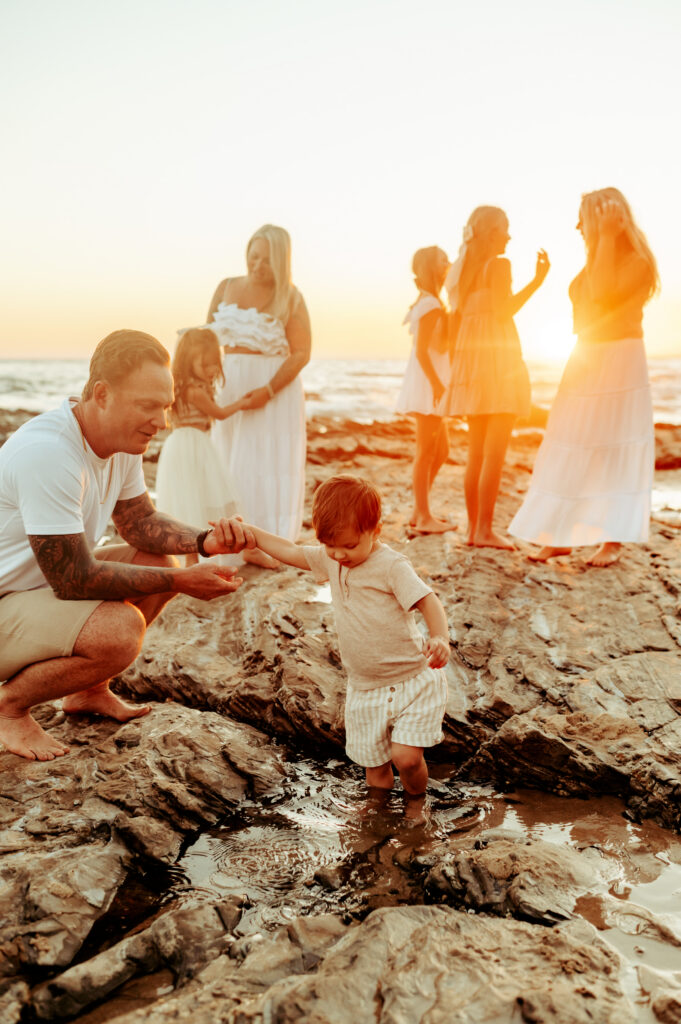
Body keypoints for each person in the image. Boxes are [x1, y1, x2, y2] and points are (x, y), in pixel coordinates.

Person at [0, 330, 255, 762]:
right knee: (119, 632)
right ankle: (9, 708)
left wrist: (203, 541)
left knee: (158, 558)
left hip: (37, 591)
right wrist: (182, 579)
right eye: (148, 406)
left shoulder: (120, 441)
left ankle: (88, 690)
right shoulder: (48, 452)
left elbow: (140, 523)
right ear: (102, 394)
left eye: (165, 406)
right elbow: (72, 578)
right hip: (10, 599)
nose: (162, 421)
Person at [243, 474, 450, 801]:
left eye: (350, 546)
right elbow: (289, 550)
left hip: (411, 680)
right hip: (365, 688)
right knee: (376, 768)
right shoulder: (330, 558)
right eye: (330, 546)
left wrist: (440, 638)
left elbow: (428, 601)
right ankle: (377, 817)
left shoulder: (392, 565)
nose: (338, 555)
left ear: (375, 529)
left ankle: (416, 806)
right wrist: (252, 535)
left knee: (406, 757)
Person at [509, 188, 659, 567]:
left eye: (583, 218)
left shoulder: (636, 261)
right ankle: (558, 536)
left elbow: (605, 294)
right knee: (569, 441)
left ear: (604, 219)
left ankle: (612, 540)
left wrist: (607, 237)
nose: (577, 226)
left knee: (612, 446)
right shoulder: (597, 258)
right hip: (586, 356)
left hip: (619, 357)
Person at [205, 224, 311, 567]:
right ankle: (231, 538)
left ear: (280, 261)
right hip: (231, 387)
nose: (257, 264)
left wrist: (267, 391)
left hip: (273, 392)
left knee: (264, 463)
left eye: (266, 259)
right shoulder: (226, 286)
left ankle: (263, 544)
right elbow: (204, 341)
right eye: (253, 256)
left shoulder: (291, 297)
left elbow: (301, 352)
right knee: (230, 461)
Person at [444, 206, 550, 549]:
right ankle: (485, 530)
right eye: (504, 229)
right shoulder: (499, 265)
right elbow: (504, 310)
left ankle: (474, 530)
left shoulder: (462, 273)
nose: (509, 236)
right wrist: (537, 281)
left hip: (472, 359)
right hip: (498, 358)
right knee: (495, 452)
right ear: (490, 233)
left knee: (476, 452)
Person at [155, 327, 244, 566]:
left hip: (187, 443)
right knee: (194, 498)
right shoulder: (192, 390)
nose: (212, 370)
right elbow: (220, 413)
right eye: (205, 365)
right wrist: (244, 402)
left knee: (195, 497)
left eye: (214, 363)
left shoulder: (184, 386)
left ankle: (195, 557)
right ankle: (192, 558)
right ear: (187, 362)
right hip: (191, 444)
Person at [395, 246, 455, 535]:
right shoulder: (430, 304)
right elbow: (421, 352)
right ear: (433, 268)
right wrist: (438, 386)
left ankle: (419, 510)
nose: (449, 264)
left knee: (441, 449)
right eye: (444, 261)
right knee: (426, 451)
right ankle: (423, 515)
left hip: (429, 381)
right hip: (429, 383)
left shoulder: (429, 300)